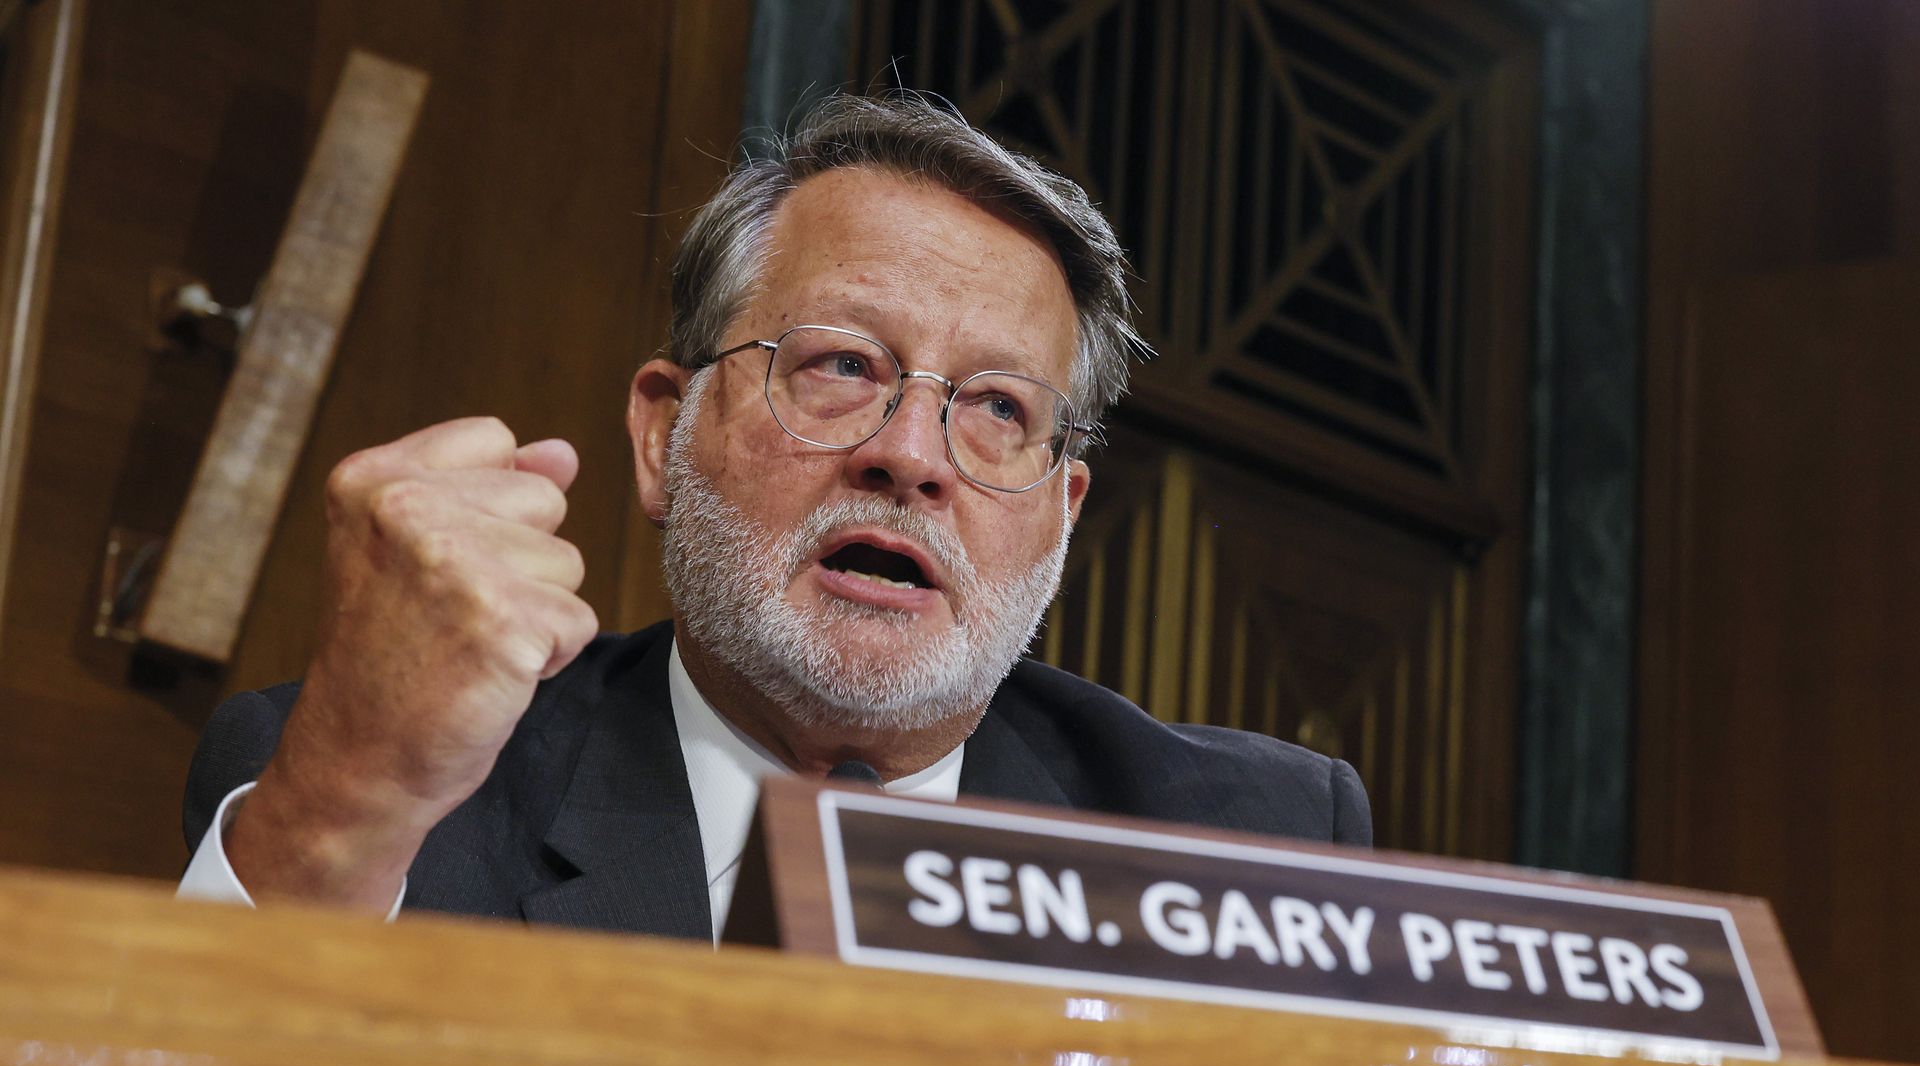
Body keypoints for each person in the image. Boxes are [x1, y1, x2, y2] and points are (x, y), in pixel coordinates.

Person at [178, 92, 1371, 941]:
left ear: (1060, 515)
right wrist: (351, 802)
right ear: (662, 433)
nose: (911, 456)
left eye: (999, 405)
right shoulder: (375, 787)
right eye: (842, 366)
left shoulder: (1244, 846)